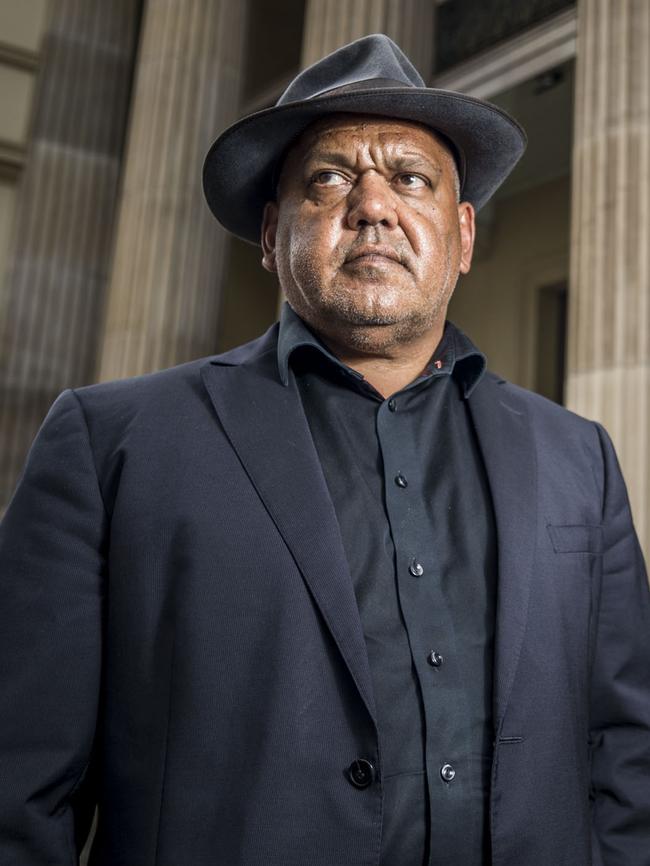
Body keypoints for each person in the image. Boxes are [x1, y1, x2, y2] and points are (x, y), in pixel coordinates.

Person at [0, 33, 649, 866]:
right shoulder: (111, 444)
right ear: (272, 235)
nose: (373, 204)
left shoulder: (578, 460)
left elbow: (623, 756)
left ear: (464, 236)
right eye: (331, 177)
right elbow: (18, 788)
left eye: (410, 178)